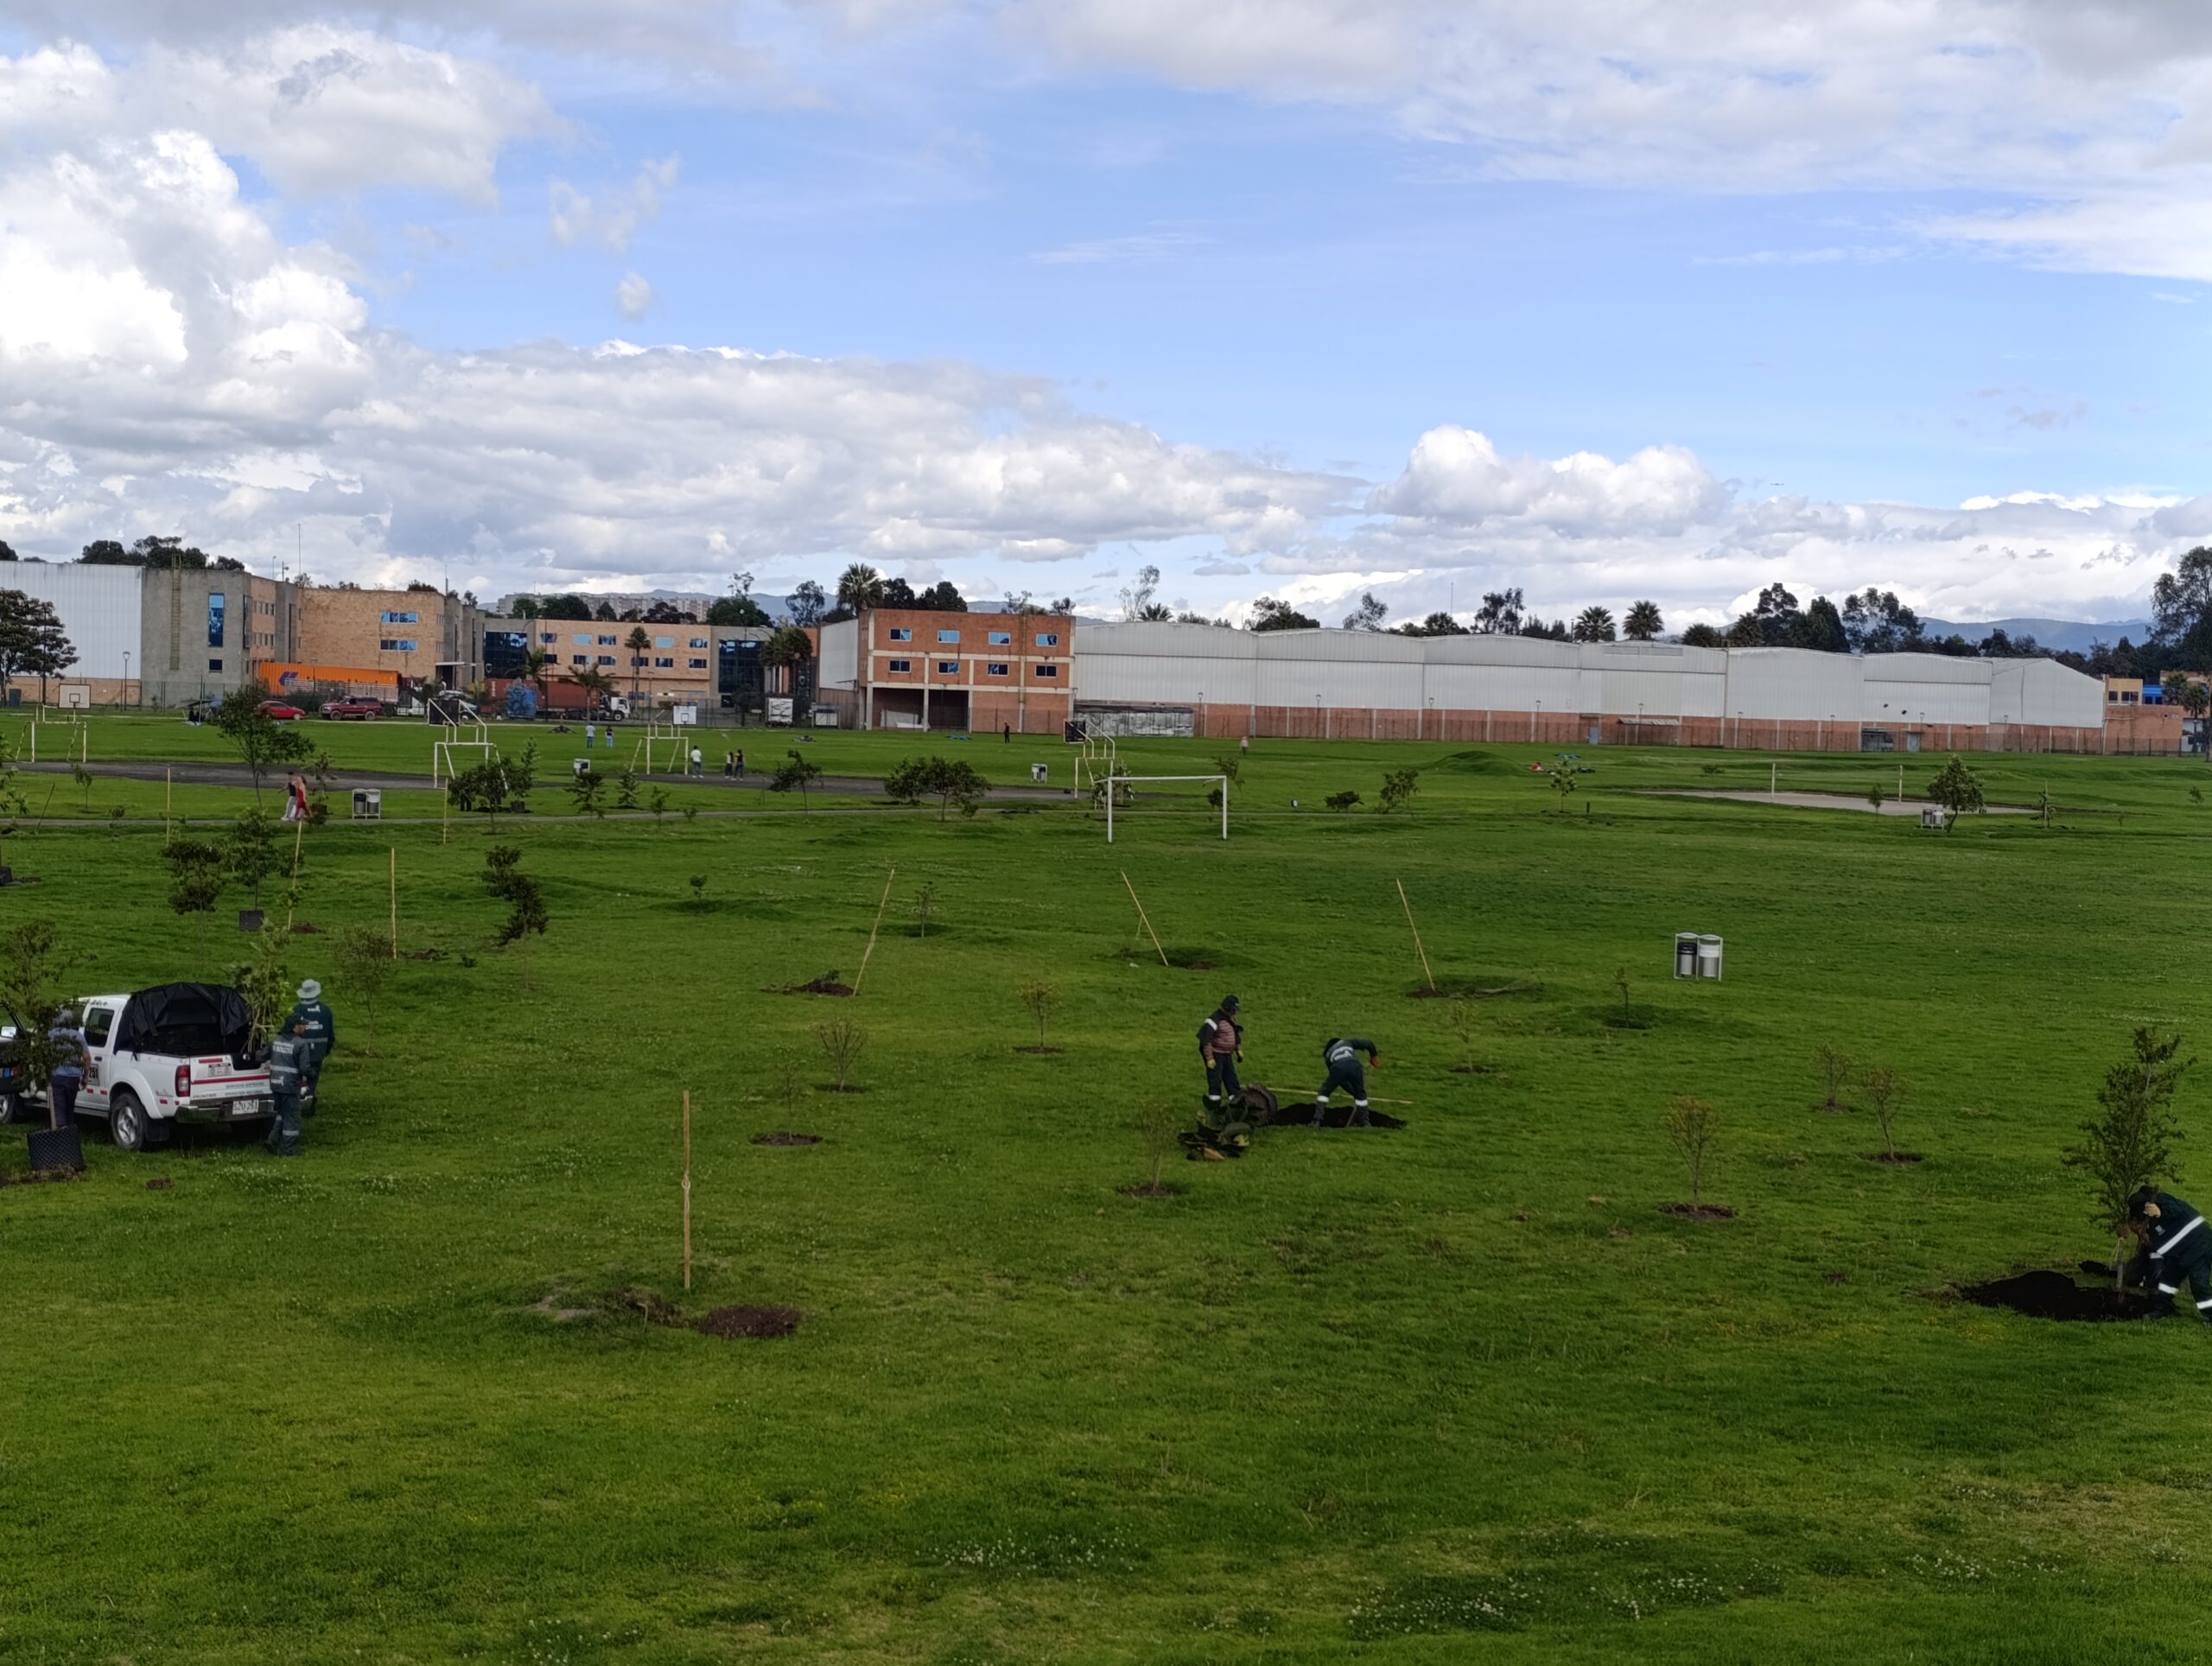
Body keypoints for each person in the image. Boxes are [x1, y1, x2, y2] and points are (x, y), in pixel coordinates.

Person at [2126, 1188, 2212, 1319]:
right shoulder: (2150, 1223)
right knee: (2167, 1281)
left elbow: (2176, 1210)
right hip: (2178, 1254)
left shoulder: (2163, 1200)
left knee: (2199, 1284)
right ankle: (2163, 1306)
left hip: (2199, 1246)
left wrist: (2159, 1212)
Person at [284, 978, 336, 1113]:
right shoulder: (326, 1010)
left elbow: (289, 1033)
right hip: (318, 1052)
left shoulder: (296, 1010)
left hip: (299, 1052)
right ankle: (309, 1102)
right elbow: (331, 1035)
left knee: (298, 1077)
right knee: (313, 1077)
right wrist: (326, 1050)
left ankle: (297, 1103)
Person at [1310, 1035, 1382, 1128]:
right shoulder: (1347, 1042)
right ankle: (1365, 1123)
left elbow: (1342, 1082)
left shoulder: (1328, 1056)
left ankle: (1316, 1120)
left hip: (1338, 1067)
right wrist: (1373, 1056)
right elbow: (1369, 1043)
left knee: (1324, 1092)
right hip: (1355, 1065)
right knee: (1361, 1094)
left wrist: (1352, 1092)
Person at [265, 1015, 310, 1156]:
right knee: (292, 1118)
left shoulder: (276, 1040)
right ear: (295, 1026)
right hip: (290, 1087)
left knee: (282, 1113)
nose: (305, 1027)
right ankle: (287, 1150)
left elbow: (262, 1056)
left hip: (276, 1085)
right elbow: (304, 1069)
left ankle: (272, 1140)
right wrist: (313, 1073)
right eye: (303, 1025)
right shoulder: (301, 1044)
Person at [1197, 995, 1244, 1119]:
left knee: (1231, 1079)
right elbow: (1206, 1041)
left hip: (1227, 1055)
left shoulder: (1230, 1019)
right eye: (1233, 1009)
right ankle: (1214, 1108)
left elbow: (1235, 1035)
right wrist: (1209, 1058)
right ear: (1227, 1008)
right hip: (1216, 1056)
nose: (1234, 1012)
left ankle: (1235, 1105)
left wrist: (1238, 1050)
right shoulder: (1213, 1020)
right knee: (1215, 1081)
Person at [46, 1005, 86, 1131]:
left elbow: (44, 1054)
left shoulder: (51, 1035)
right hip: (74, 1078)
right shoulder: (78, 1036)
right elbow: (87, 1059)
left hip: (57, 1076)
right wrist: (85, 1077)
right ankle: (70, 1132)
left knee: (59, 1108)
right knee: (70, 1108)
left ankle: (61, 1133)